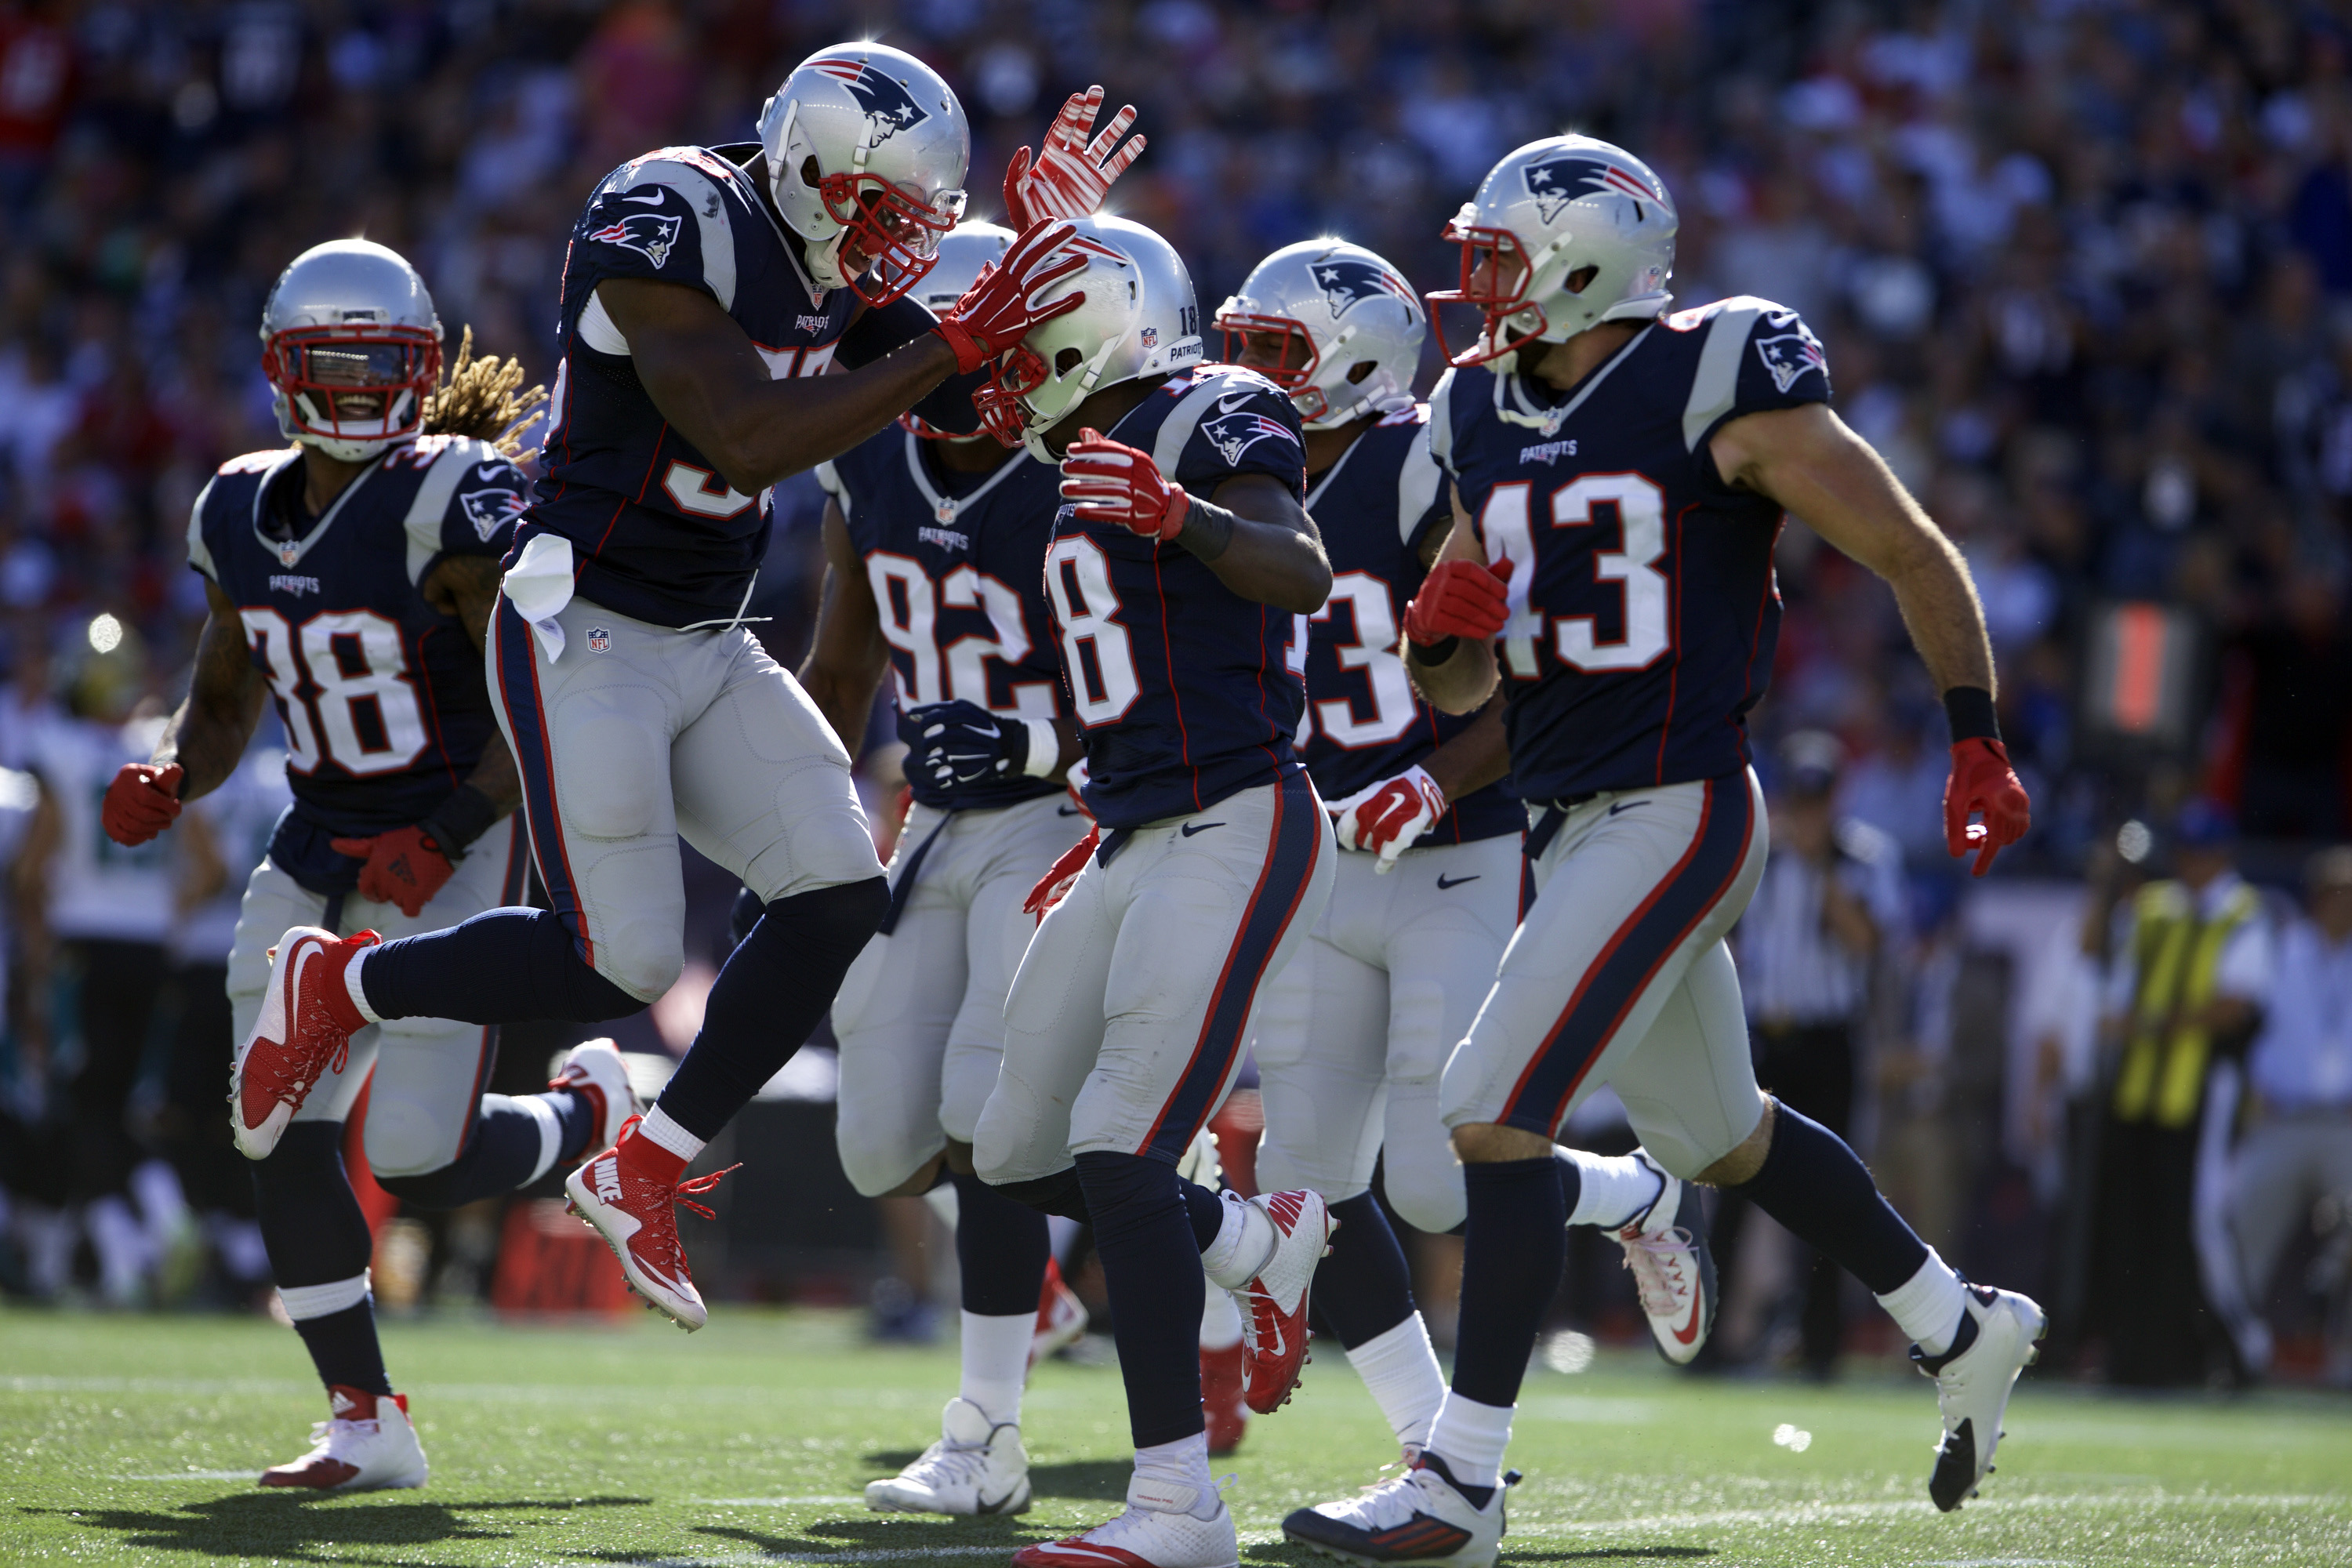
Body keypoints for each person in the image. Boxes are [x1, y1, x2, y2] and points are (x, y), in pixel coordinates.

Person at [224, 46, 1142, 1332]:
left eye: (917, 225)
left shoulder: (841, 264)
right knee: (625, 958)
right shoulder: (670, 211)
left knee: (838, 894)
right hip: (584, 618)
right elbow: (747, 432)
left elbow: (955, 381)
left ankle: (644, 1159)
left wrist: (1035, 249)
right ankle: (342, 987)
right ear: (812, 166)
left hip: (708, 634)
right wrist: (954, 337)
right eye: (887, 215)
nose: (898, 246)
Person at [1285, 135, 2042, 1566]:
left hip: (1681, 803)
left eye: (1503, 254)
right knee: (1722, 1135)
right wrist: (1442, 639)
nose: (1479, 282)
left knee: (1488, 1114)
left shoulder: (1718, 377)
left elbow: (1907, 545)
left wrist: (1974, 731)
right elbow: (1465, 690)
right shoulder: (1472, 411)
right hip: (1573, 815)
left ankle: (1462, 1484)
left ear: (1589, 262)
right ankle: (1962, 1324)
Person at [100, 240, 641, 1490]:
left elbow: (547, 692)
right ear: (281, 370)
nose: (351, 387)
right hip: (322, 831)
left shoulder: (452, 498)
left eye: (376, 362)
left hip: (452, 829)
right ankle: (362, 1415)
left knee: (414, 1156)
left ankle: (585, 1117)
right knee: (266, 1118)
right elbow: (227, 699)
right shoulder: (233, 505)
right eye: (328, 362)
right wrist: (177, 772)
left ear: (415, 367)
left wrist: (448, 830)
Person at [1217, 238, 1715, 1479]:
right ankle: (1434, 1454)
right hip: (1326, 857)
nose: (1251, 376)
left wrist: (1433, 774)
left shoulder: (1417, 462)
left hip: (1458, 848)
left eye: (1279, 354)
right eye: (1245, 347)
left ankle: (1632, 1195)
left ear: (1356, 364)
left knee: (1441, 1184)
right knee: (1307, 1190)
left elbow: (1519, 678)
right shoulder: (1238, 475)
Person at [963, 214, 1338, 1568]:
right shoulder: (1059, 458)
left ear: (1095, 327)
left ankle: (1182, 1504)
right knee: (1004, 1151)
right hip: (1127, 834)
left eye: (1023, 337)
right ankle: (1252, 1240)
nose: (1001, 367)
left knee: (1121, 1140)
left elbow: (1301, 570)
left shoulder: (1212, 411)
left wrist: (1187, 517)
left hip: (1236, 815)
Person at [796, 219, 1086, 1515]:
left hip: (1060, 811)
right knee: (877, 1144)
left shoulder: (1083, 468)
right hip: (930, 816)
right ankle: (1209, 1227)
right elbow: (845, 670)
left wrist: (1032, 733)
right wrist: (795, 833)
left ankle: (986, 1439)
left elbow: (1162, 691)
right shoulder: (872, 459)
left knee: (984, 1113)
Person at [1712, 728, 1906, 1378]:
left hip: (1828, 1041)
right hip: (1764, 1036)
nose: (1808, 811)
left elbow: (1865, 943)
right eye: (1799, 797)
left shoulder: (1865, 858)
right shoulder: (1759, 854)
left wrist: (1823, 866)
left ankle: (1820, 1346)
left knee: (1830, 1189)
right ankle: (1713, 1342)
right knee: (1732, 1182)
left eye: (1818, 799)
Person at [2088, 799, 2275, 1385]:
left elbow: (2235, 1007)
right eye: (2187, 852)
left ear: (2224, 855)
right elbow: (2111, 996)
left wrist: (2153, 1023)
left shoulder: (2245, 913)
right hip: (2141, 1093)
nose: (2194, 864)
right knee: (2135, 1222)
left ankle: (2234, 1350)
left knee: (2196, 1224)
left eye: (2204, 852)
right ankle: (2138, 1357)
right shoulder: (2151, 909)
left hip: (2204, 1094)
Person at [19, 624, 176, 1306]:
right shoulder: (157, 747)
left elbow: (32, 867)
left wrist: (35, 942)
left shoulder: (58, 748)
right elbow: (208, 864)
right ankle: (153, 1212)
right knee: (122, 1103)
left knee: (85, 1101)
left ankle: (132, 1240)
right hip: (150, 946)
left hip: (84, 943)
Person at [2227, 844, 2352, 1381]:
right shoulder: (2281, 948)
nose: (2343, 905)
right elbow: (2247, 1029)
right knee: (2241, 1232)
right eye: (2337, 893)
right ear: (2317, 897)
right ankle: (2227, 1349)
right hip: (2282, 1118)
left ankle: (2344, 1357)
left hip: (2344, 1123)